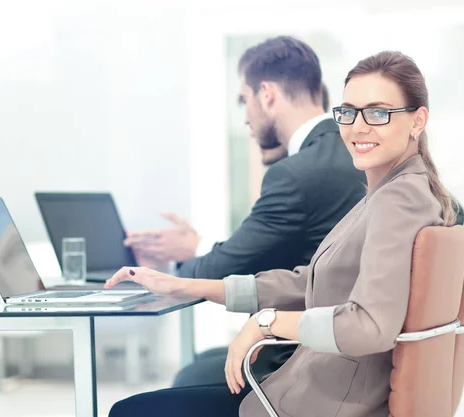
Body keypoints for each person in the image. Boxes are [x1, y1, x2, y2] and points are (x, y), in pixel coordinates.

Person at [105, 50, 459, 417]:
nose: (357, 126)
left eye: (378, 112)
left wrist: (265, 323)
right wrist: (187, 285)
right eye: (349, 111)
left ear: (418, 121)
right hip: (317, 390)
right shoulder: (394, 190)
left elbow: (369, 325)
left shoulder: (398, 199)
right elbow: (309, 283)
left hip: (322, 403)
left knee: (130, 411)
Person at [124, 36, 367, 387]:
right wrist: (199, 246)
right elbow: (273, 256)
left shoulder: (298, 173)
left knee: (151, 398)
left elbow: (226, 269)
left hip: (308, 362)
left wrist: (168, 271)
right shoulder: (355, 155)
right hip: (346, 352)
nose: (246, 118)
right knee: (200, 365)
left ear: (266, 95)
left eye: (244, 101)